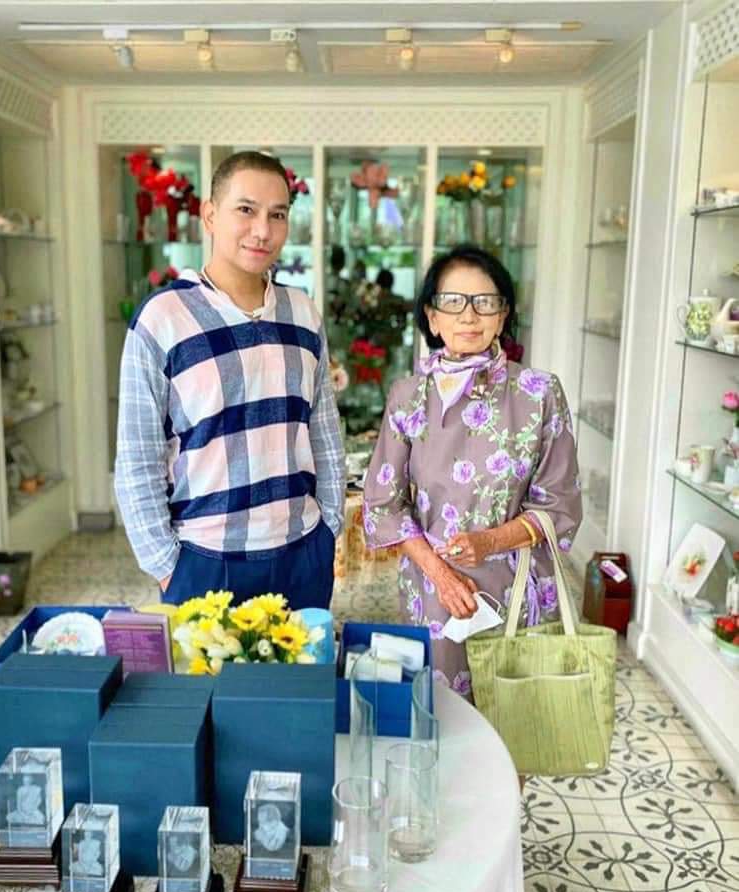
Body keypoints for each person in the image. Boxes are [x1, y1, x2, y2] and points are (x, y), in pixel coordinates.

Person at [115, 151, 346, 608]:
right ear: (209, 215)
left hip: (302, 552)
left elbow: (323, 430)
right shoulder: (163, 318)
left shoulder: (302, 312)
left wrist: (329, 527)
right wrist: (166, 566)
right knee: (204, 663)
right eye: (246, 210)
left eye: (277, 214)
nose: (263, 230)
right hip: (204, 559)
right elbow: (137, 456)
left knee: (305, 660)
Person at [362, 244, 582, 699]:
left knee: (513, 718)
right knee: (439, 712)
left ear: (503, 315)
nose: (469, 315)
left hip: (517, 589)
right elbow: (383, 504)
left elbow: (560, 506)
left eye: (484, 302)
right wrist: (441, 576)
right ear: (432, 317)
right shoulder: (408, 396)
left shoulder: (539, 393)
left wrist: (490, 542)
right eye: (453, 301)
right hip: (433, 590)